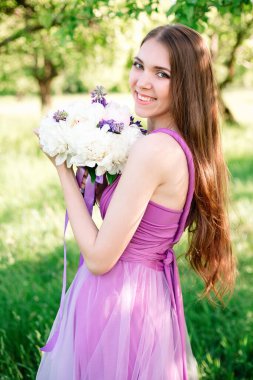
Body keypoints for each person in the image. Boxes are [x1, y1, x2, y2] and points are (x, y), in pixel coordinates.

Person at [34, 23, 237, 380]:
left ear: (186, 84)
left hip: (116, 301)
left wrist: (62, 168)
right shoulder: (176, 144)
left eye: (162, 74)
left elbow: (98, 258)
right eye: (139, 65)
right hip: (147, 298)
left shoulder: (153, 149)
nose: (142, 81)